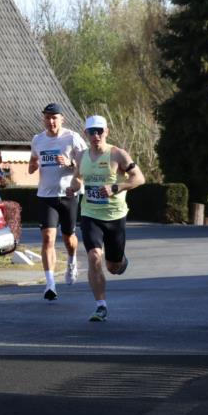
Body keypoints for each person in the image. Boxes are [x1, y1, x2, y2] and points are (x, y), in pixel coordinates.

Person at [67, 115, 145, 322]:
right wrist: (73, 187)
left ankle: (121, 261)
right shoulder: (82, 156)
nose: (96, 135)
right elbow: (77, 177)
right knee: (94, 257)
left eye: (100, 131)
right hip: (90, 214)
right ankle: (100, 306)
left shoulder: (118, 154)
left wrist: (116, 187)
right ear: (86, 134)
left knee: (113, 267)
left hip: (115, 216)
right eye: (92, 132)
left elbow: (140, 178)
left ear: (107, 132)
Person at [27, 102, 88, 301]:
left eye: (54, 118)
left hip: (68, 194)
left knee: (69, 237)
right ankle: (50, 284)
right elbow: (32, 163)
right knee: (48, 239)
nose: (51, 121)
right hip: (46, 195)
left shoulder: (72, 138)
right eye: (47, 117)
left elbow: (86, 164)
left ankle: (71, 261)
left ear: (62, 119)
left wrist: (70, 163)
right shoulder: (38, 140)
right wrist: (33, 164)